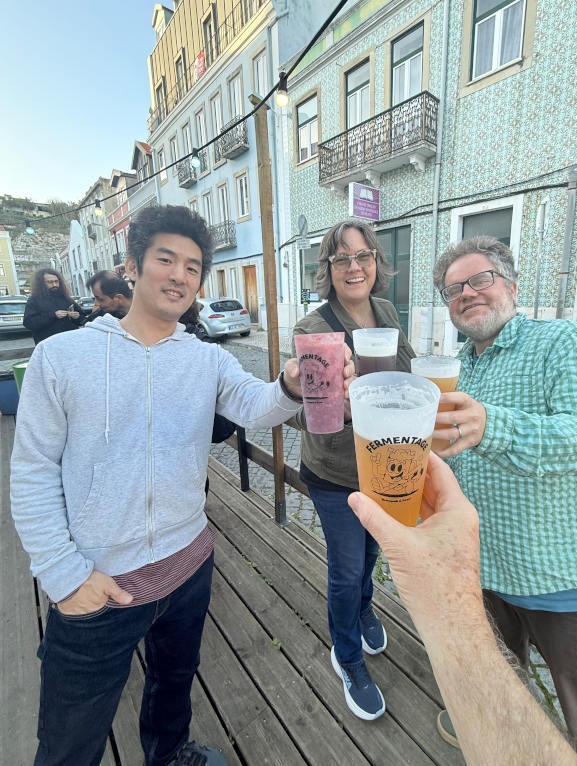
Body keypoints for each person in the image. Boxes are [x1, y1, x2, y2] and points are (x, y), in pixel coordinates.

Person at [10, 205, 353, 766]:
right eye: (165, 259)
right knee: (70, 740)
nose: (179, 276)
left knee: (174, 687)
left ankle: (169, 755)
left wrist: (290, 383)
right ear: (132, 266)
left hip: (188, 564)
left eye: (193, 267)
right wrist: (64, 575)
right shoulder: (61, 357)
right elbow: (31, 471)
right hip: (95, 581)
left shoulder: (205, 359)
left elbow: (254, 405)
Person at [431, 235, 577, 765]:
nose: (467, 293)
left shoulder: (566, 342)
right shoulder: (458, 367)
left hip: (570, 580)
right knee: (507, 708)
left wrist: (492, 426)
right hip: (486, 577)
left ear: (512, 286)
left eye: (481, 279)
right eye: (453, 289)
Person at [348, 453, 577, 766]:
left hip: (565, 566)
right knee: (348, 571)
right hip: (483, 556)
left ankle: (477, 718)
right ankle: (475, 719)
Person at [290, 219, 415, 721]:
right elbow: (299, 411)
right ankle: (346, 658)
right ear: (328, 268)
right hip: (335, 471)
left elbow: (403, 373)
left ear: (376, 263)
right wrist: (337, 408)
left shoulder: (385, 311)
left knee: (370, 555)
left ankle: (365, 608)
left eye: (362, 256)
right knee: (345, 570)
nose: (353, 266)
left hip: (383, 465)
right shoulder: (313, 328)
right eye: (341, 258)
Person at [23, 268, 83, 344]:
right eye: (50, 282)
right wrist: (53, 315)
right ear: (41, 283)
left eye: (56, 281)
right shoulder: (34, 300)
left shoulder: (66, 298)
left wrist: (77, 317)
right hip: (48, 344)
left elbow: (82, 319)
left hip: (69, 342)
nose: (54, 285)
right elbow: (29, 323)